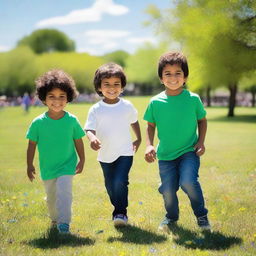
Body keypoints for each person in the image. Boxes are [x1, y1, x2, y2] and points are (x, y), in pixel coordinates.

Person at [144, 51, 211, 231]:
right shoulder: (155, 102)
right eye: (168, 73)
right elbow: (150, 126)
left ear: (185, 77)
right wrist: (149, 144)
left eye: (178, 73)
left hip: (189, 151)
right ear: (161, 78)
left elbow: (202, 121)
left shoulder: (193, 99)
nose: (173, 77)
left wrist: (201, 142)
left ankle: (201, 215)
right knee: (168, 191)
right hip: (165, 155)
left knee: (188, 182)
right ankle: (171, 217)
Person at [26, 69, 85, 234]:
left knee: (64, 192)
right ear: (44, 98)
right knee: (51, 199)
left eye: (62, 96)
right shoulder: (38, 123)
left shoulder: (72, 120)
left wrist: (82, 160)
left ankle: (64, 223)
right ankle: (54, 218)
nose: (57, 101)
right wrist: (29, 165)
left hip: (67, 165)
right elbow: (31, 145)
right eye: (52, 96)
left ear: (68, 98)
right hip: (48, 167)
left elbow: (78, 141)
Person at [84, 63, 141, 227]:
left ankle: (121, 213)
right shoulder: (96, 109)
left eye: (116, 84)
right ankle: (118, 206)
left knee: (120, 181)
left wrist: (138, 138)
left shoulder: (127, 106)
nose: (112, 88)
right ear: (99, 87)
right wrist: (92, 138)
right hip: (105, 155)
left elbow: (134, 121)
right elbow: (89, 128)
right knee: (110, 185)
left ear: (122, 86)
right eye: (107, 84)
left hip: (125, 152)